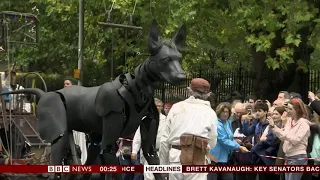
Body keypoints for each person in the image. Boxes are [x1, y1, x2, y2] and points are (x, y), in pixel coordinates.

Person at [159, 78, 218, 180]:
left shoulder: (176, 108)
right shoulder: (210, 113)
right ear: (208, 94)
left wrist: (163, 166)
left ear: (189, 91)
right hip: (198, 159)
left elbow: (164, 140)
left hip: (175, 159)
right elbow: (213, 141)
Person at [268, 98, 311, 180]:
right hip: (288, 156)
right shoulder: (289, 121)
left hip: (298, 157)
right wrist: (274, 127)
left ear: (297, 109)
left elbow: (295, 140)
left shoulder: (304, 123)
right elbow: (284, 138)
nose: (288, 111)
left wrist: (280, 131)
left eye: (291, 109)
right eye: (288, 108)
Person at [208, 102, 249, 180]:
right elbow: (223, 140)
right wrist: (238, 147)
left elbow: (229, 137)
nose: (225, 114)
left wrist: (235, 140)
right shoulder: (217, 124)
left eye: (227, 112)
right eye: (223, 112)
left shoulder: (228, 123)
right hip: (214, 158)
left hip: (226, 157)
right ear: (219, 112)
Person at [132, 98, 166, 180]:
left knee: (161, 176)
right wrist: (134, 151)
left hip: (161, 152)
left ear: (162, 107)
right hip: (148, 153)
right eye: (155, 106)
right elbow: (138, 136)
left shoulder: (166, 120)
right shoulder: (145, 120)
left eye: (159, 106)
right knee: (148, 177)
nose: (157, 108)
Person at [64, 79, 87, 164]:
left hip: (77, 126)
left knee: (79, 145)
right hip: (68, 127)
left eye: (67, 84)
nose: (65, 85)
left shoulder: (77, 96)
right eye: (64, 84)